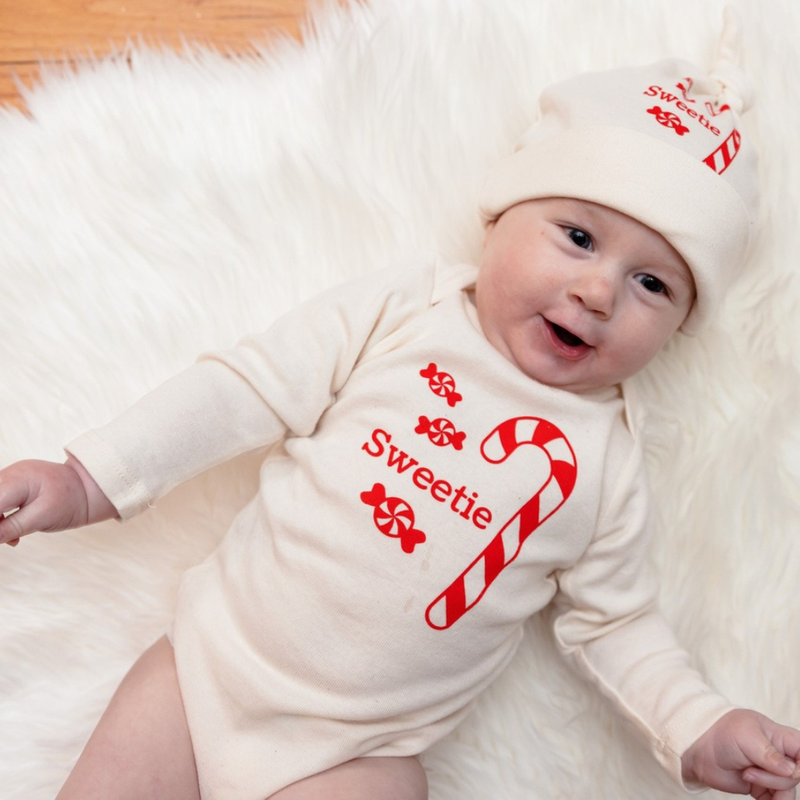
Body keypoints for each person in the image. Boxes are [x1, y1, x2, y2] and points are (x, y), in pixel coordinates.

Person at [2, 12, 798, 800]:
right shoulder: (405, 311)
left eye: (652, 283)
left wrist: (697, 726)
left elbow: (617, 624)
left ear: (678, 327)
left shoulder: (605, 466)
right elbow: (242, 390)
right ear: (501, 217)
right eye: (578, 238)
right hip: (208, 667)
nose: (597, 292)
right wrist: (88, 480)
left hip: (354, 752)